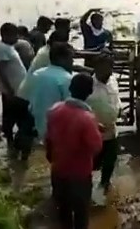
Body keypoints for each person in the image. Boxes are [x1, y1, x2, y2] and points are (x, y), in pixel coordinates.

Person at [46, 73, 102, 229]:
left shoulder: (54, 110)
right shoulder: (87, 119)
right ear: (90, 92)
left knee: (63, 213)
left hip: (58, 171)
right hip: (79, 176)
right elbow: (96, 147)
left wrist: (51, 157)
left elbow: (48, 138)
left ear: (70, 88)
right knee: (81, 215)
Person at [86, 52, 121, 206]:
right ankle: (86, 189)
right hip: (94, 131)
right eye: (104, 67)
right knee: (91, 161)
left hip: (111, 129)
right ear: (96, 67)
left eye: (110, 67)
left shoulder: (113, 81)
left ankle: (104, 183)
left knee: (110, 159)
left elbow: (116, 99)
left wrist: (120, 110)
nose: (107, 71)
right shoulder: (88, 85)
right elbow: (82, 108)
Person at [28, 43, 74, 141]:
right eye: (71, 58)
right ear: (62, 59)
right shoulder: (66, 78)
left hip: (37, 124)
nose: (72, 62)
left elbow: (31, 101)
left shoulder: (37, 74)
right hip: (57, 129)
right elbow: (70, 106)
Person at [0, 23, 28, 150]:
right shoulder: (1, 49)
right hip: (12, 90)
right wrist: (9, 90)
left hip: (16, 89)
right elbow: (1, 70)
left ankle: (15, 142)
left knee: (14, 115)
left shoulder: (7, 47)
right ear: (6, 35)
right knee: (14, 116)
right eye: (14, 35)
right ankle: (13, 142)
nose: (17, 38)